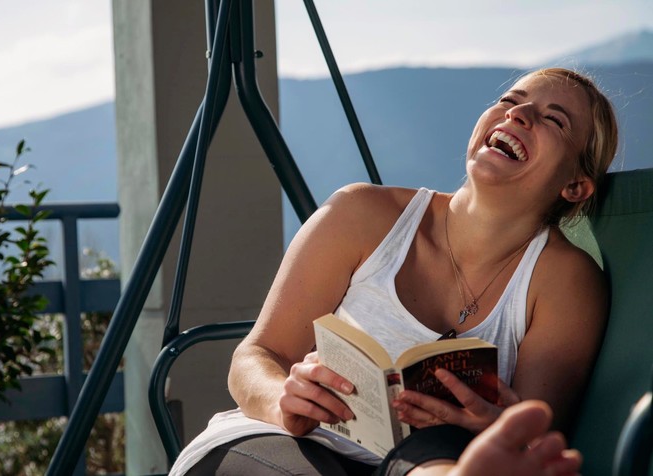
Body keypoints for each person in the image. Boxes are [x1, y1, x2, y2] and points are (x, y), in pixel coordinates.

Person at [169, 67, 618, 475]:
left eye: (554, 120)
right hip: (286, 443)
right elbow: (256, 355)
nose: (518, 114)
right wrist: (282, 399)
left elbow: (533, 433)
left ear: (575, 186)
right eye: (509, 100)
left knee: (442, 445)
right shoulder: (361, 214)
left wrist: (493, 426)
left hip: (424, 458)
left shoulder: (566, 281)